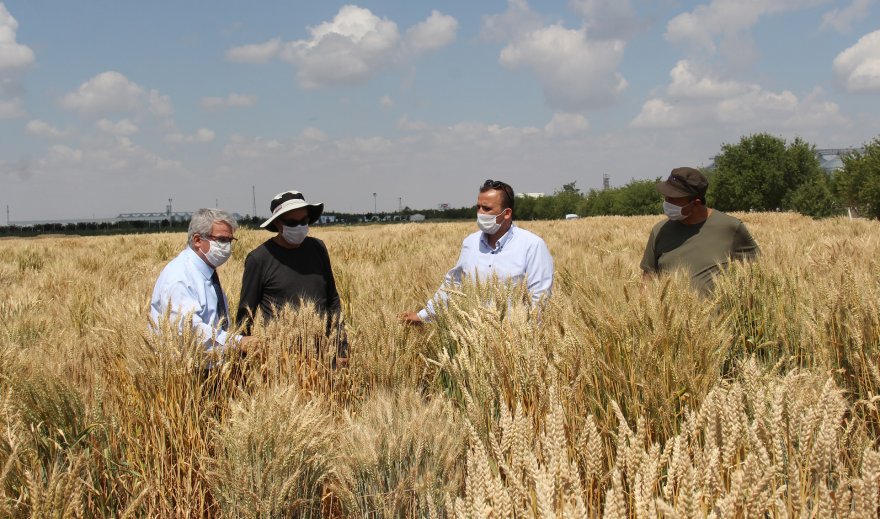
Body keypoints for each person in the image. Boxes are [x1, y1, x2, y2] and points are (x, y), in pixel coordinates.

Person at [401, 179, 554, 323]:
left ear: (507, 213)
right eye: (478, 207)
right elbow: (453, 285)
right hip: (475, 336)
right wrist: (423, 315)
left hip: (514, 339)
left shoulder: (532, 245)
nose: (480, 213)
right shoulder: (470, 243)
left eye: (487, 208)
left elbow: (539, 299)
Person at [237, 190, 347, 363]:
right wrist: (243, 362)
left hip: (324, 355)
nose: (300, 226)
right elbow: (245, 316)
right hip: (281, 359)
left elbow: (332, 300)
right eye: (292, 222)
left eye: (304, 221)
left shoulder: (318, 248)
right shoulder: (259, 259)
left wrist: (341, 348)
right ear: (278, 224)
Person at [150, 208, 256, 354]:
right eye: (222, 240)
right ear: (198, 240)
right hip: (188, 372)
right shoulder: (180, 276)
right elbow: (190, 329)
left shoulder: (206, 272)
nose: (227, 247)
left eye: (230, 240)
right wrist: (238, 342)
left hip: (211, 366)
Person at [641, 167, 760, 294]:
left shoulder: (730, 227)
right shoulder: (659, 231)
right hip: (670, 312)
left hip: (718, 314)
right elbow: (648, 276)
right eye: (666, 197)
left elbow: (755, 270)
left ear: (696, 202)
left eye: (674, 199)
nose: (667, 203)